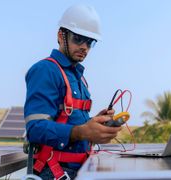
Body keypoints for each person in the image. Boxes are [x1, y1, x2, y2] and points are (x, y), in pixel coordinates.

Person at [24, 4, 121, 179]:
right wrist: (83, 132)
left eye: (90, 42)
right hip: (55, 173)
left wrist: (94, 123)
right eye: (78, 39)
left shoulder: (79, 78)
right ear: (61, 36)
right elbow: (35, 129)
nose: (84, 46)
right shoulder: (45, 70)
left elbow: (70, 122)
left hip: (81, 170)